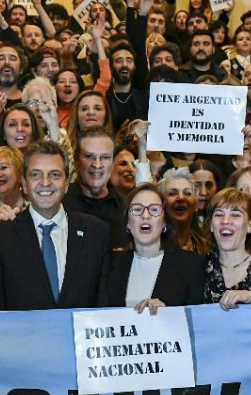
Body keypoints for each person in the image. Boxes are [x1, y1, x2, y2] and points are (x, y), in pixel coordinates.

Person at [0, 139, 110, 310]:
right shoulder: (0, 235)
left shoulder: (96, 233)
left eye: (54, 174)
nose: (45, 182)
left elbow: (105, 303)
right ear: (24, 184)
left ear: (67, 183)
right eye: (36, 175)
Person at [104, 183, 206, 311]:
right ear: (128, 223)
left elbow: (199, 318)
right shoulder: (110, 263)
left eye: (154, 209)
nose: (145, 215)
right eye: (137, 209)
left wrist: (169, 313)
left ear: (164, 222)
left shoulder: (193, 265)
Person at [64, 126, 126, 247]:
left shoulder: (126, 208)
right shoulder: (59, 203)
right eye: (89, 156)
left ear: (113, 163)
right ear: (76, 161)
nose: (97, 164)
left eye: (105, 157)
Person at [158, 169, 209, 253]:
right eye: (172, 193)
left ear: (196, 205)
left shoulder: (205, 247)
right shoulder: (151, 244)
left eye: (187, 193)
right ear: (161, 204)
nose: (181, 198)